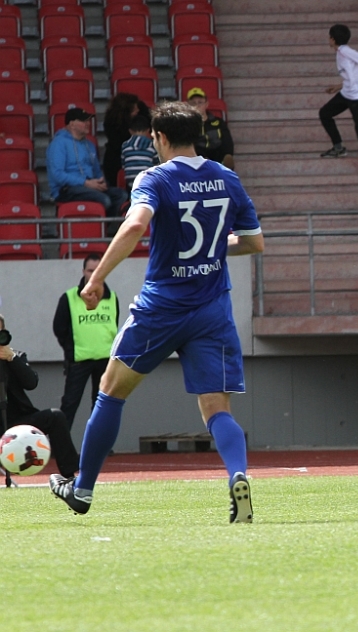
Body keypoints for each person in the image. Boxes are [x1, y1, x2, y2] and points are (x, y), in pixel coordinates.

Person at [48, 101, 264, 524]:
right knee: (216, 408)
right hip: (212, 309)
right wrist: (209, 252)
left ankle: (83, 489)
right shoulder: (227, 177)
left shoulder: (155, 177)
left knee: (111, 390)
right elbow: (254, 243)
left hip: (162, 308)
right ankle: (238, 475)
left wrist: (96, 279)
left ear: (160, 138)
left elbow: (134, 226)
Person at [0, 314, 80, 480]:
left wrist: (12, 358)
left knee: (55, 416)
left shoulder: (15, 356)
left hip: (16, 422)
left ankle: (69, 475)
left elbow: (31, 383)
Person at [52, 253, 120, 428]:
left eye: (98, 270)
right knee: (69, 404)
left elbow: (114, 326)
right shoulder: (69, 298)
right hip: (79, 361)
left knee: (101, 407)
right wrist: (71, 350)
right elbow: (59, 328)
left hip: (105, 361)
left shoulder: (112, 298)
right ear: (83, 271)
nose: (94, 274)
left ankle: (98, 443)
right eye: (90, 270)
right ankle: (60, 443)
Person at [46, 107, 128, 218]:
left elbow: (96, 171)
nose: (88, 124)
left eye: (88, 121)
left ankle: (108, 226)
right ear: (72, 124)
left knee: (121, 195)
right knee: (104, 200)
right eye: (83, 121)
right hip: (66, 189)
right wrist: (85, 183)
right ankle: (101, 226)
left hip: (89, 186)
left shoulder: (89, 145)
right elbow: (57, 174)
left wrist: (100, 182)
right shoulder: (58, 144)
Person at [319, 23, 358, 174]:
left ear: (333, 39)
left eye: (329, 37)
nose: (328, 39)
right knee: (325, 113)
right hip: (347, 92)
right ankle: (338, 148)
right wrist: (338, 87)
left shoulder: (345, 50)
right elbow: (351, 75)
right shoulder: (340, 52)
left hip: (357, 96)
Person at [102, 92, 150, 185]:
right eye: (134, 109)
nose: (137, 110)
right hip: (116, 160)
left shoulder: (142, 111)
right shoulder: (112, 124)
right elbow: (117, 145)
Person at [186, 87, 235, 170]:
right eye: (193, 103)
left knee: (227, 159)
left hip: (217, 157)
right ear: (188, 106)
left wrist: (227, 155)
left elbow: (227, 142)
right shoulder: (186, 124)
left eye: (200, 102)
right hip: (196, 159)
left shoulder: (218, 122)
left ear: (206, 104)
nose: (197, 106)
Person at [120, 114, 158, 191]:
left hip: (131, 183)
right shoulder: (152, 145)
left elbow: (123, 165)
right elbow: (157, 164)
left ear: (130, 131)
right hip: (148, 182)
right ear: (148, 130)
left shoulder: (125, 145)